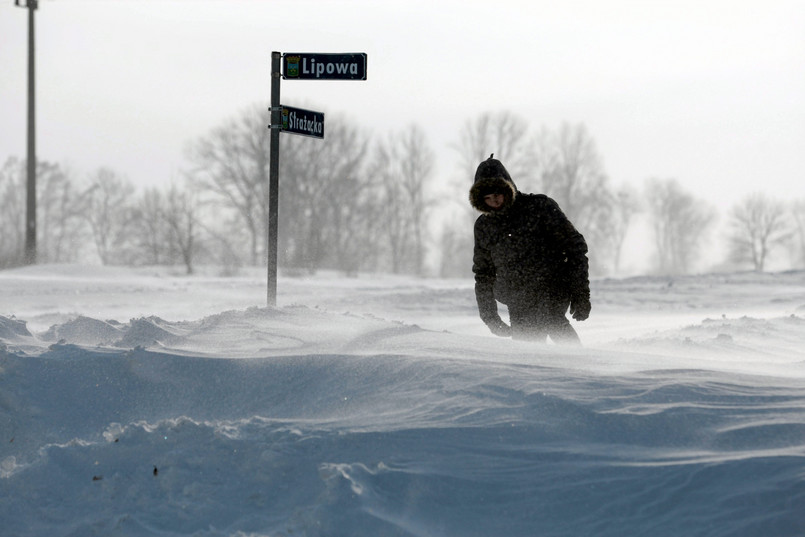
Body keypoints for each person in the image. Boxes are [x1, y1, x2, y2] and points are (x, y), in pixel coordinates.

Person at [469, 154, 591, 343]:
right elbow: (484, 273)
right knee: (528, 352)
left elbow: (575, 247)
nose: (494, 201)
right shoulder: (484, 226)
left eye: (497, 194)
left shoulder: (539, 208)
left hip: (553, 288)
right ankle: (543, 370)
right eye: (487, 197)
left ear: (507, 189)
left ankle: (580, 367)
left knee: (553, 322)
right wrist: (490, 317)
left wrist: (580, 294)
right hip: (517, 298)